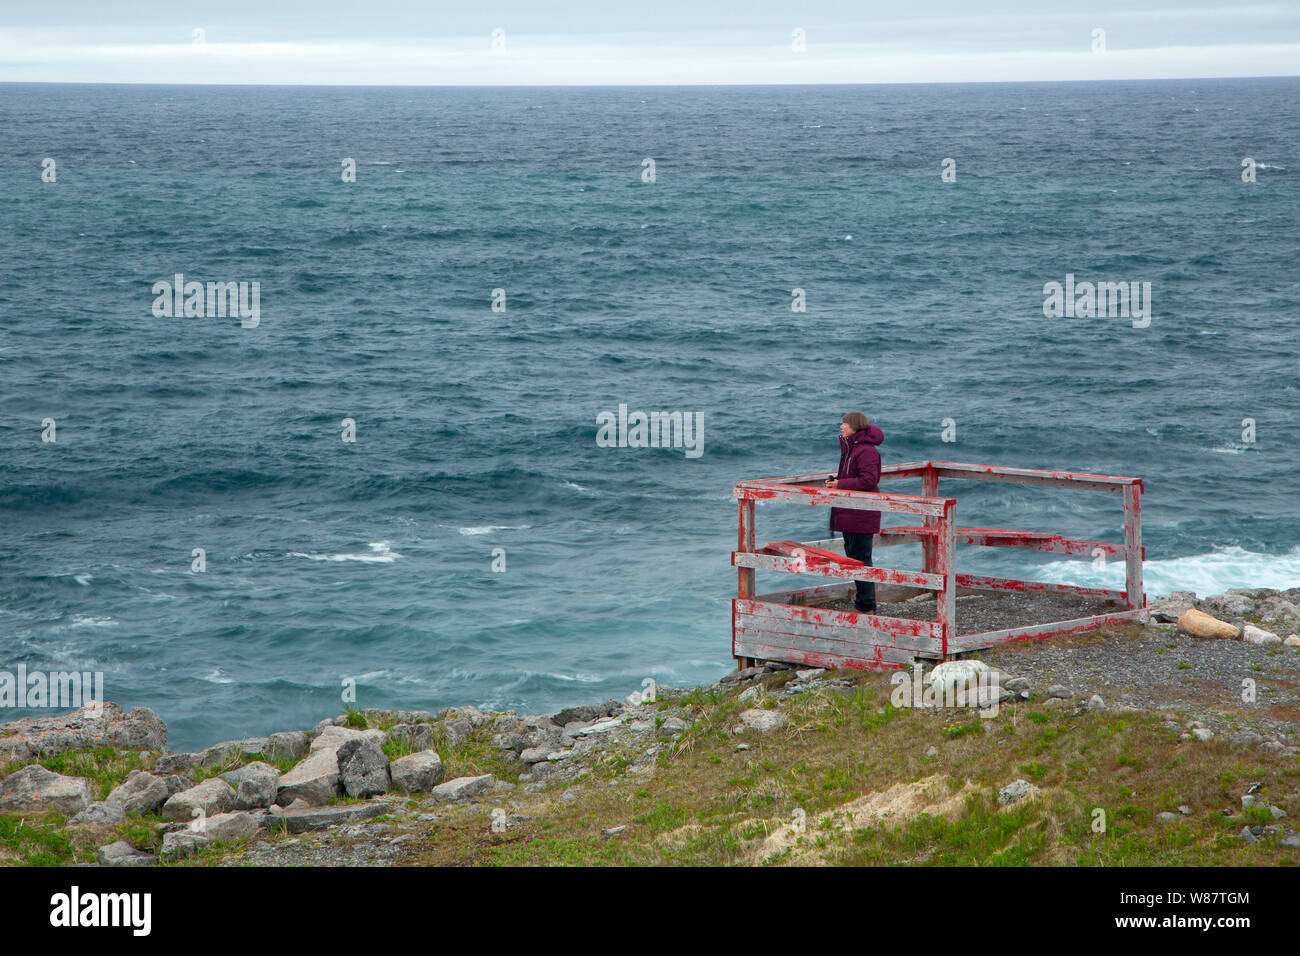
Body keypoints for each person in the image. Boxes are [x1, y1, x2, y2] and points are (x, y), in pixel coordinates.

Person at [824, 411, 884, 614]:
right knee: (854, 557)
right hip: (850, 511)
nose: (842, 427)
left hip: (862, 512)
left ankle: (866, 606)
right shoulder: (852, 448)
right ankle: (864, 603)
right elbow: (855, 477)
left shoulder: (866, 451)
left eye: (845, 423)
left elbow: (869, 480)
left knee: (861, 559)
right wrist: (837, 483)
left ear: (855, 426)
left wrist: (840, 483)